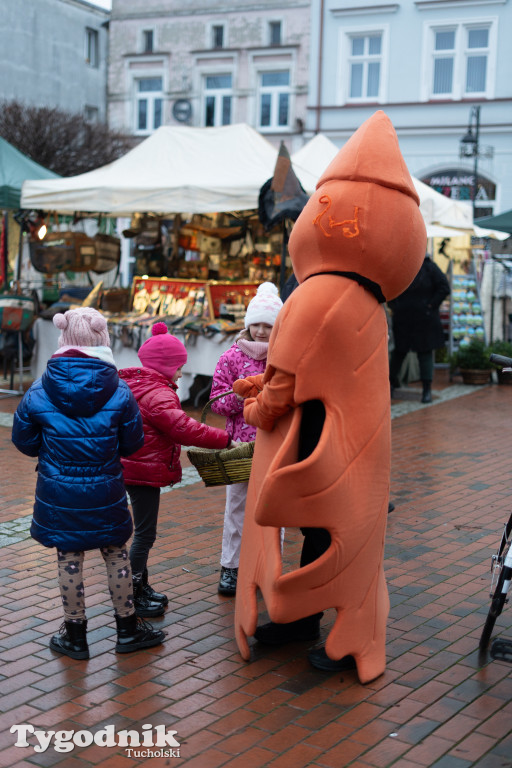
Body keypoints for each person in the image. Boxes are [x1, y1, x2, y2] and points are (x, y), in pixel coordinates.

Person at [231, 110, 427, 684]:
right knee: (339, 530)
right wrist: (264, 386)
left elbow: (281, 391)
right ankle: (313, 621)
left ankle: (319, 625)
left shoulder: (316, 296)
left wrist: (250, 406)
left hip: (315, 443)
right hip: (348, 446)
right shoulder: (369, 301)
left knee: (318, 528)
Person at [11, 307, 165, 659]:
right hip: (106, 486)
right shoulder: (120, 391)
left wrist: (50, 452)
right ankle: (127, 631)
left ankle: (75, 635)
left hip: (57, 489)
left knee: (69, 557)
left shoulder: (39, 389)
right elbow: (133, 443)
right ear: (101, 338)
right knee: (116, 554)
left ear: (63, 338)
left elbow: (23, 440)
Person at [119, 322, 232, 616]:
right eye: (179, 367)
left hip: (135, 466)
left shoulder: (139, 385)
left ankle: (140, 586)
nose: (182, 373)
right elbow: (185, 428)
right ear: (164, 365)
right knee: (145, 534)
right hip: (142, 470)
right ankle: (132, 594)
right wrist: (225, 440)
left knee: (144, 532)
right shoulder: (159, 394)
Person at [209, 282, 283, 596]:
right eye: (257, 324)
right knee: (237, 507)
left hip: (276, 444)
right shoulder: (230, 359)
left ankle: (271, 567)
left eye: (269, 325)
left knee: (275, 509)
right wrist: (245, 398)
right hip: (240, 447)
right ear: (247, 324)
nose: (262, 331)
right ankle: (231, 567)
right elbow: (216, 401)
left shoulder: (285, 357)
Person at [388, 253, 450, 403]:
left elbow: (444, 287)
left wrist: (430, 305)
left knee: (424, 353)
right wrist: (395, 306)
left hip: (424, 318)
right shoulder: (401, 266)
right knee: (400, 353)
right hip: (403, 317)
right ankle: (389, 386)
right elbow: (389, 287)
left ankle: (426, 390)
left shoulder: (429, 267)